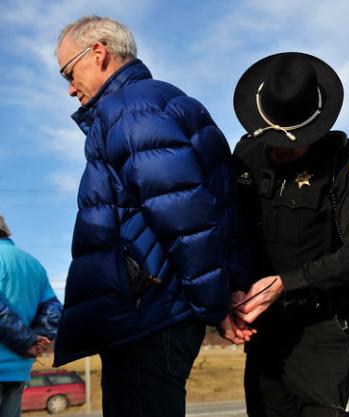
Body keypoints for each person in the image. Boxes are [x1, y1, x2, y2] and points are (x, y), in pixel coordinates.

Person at [53, 16, 252, 417]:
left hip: (150, 314)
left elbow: (184, 216)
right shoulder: (159, 102)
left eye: (68, 73)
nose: (71, 88)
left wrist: (215, 306)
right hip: (162, 307)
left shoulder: (130, 108)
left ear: (99, 52)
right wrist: (224, 292)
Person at [232, 52, 349, 417]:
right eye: (274, 143)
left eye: (294, 142)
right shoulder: (244, 156)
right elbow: (230, 233)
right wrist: (233, 289)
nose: (282, 151)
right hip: (266, 341)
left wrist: (288, 283)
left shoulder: (348, 163)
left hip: (326, 338)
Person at [0, 215, 62, 417]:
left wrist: (27, 341)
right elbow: (53, 309)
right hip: (19, 367)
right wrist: (37, 340)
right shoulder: (33, 264)